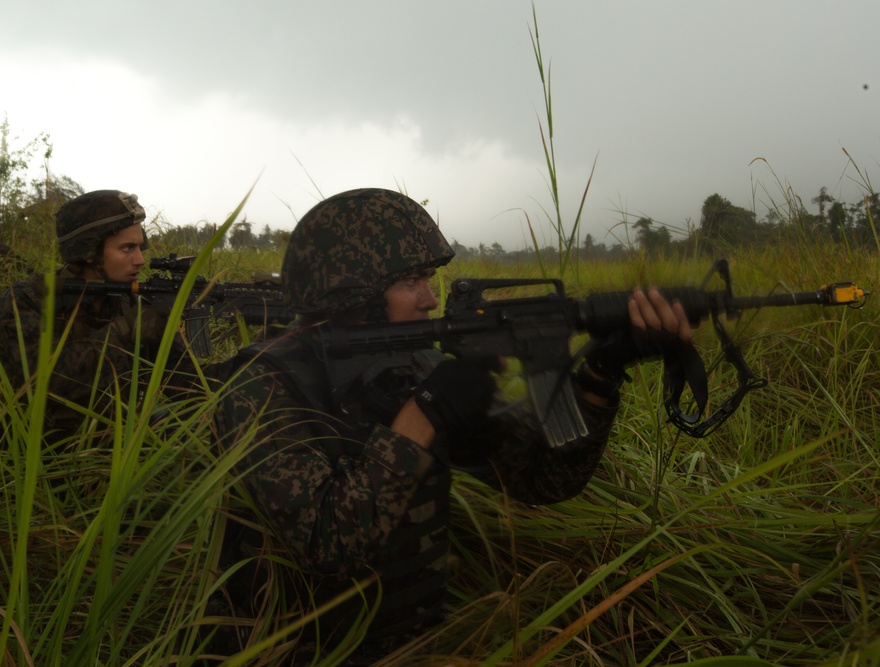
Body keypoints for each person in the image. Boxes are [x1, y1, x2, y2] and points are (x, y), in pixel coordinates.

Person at [211, 188, 696, 663]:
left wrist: (600, 374)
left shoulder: (419, 364)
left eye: (430, 279)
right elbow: (327, 548)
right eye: (411, 282)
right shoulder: (265, 384)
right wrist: (422, 417)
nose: (429, 299)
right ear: (353, 294)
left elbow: (544, 480)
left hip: (414, 642)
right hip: (293, 651)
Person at [0, 189, 186, 452]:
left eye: (140, 247)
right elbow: (43, 382)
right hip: (39, 454)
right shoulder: (26, 301)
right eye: (127, 248)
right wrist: (124, 330)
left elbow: (187, 383)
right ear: (89, 252)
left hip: (114, 440)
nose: (140, 260)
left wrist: (256, 353)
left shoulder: (131, 300)